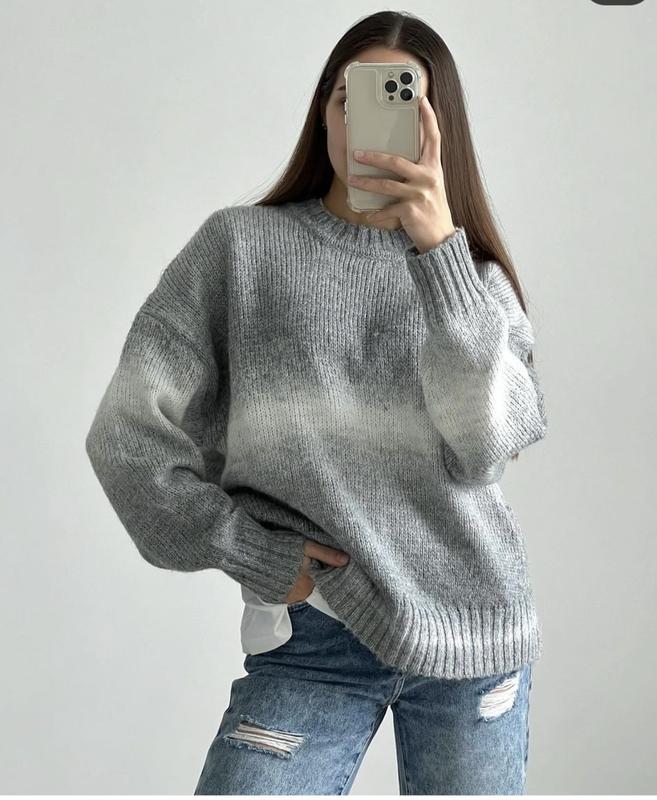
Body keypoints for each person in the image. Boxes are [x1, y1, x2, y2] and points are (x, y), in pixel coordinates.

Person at [85, 10, 547, 795]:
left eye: (401, 100)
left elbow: (484, 448)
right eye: (348, 98)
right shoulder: (239, 250)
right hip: (314, 639)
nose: (365, 122)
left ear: (437, 130)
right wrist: (247, 548)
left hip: (475, 637)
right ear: (324, 113)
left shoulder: (473, 281)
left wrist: (438, 254)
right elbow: (127, 436)